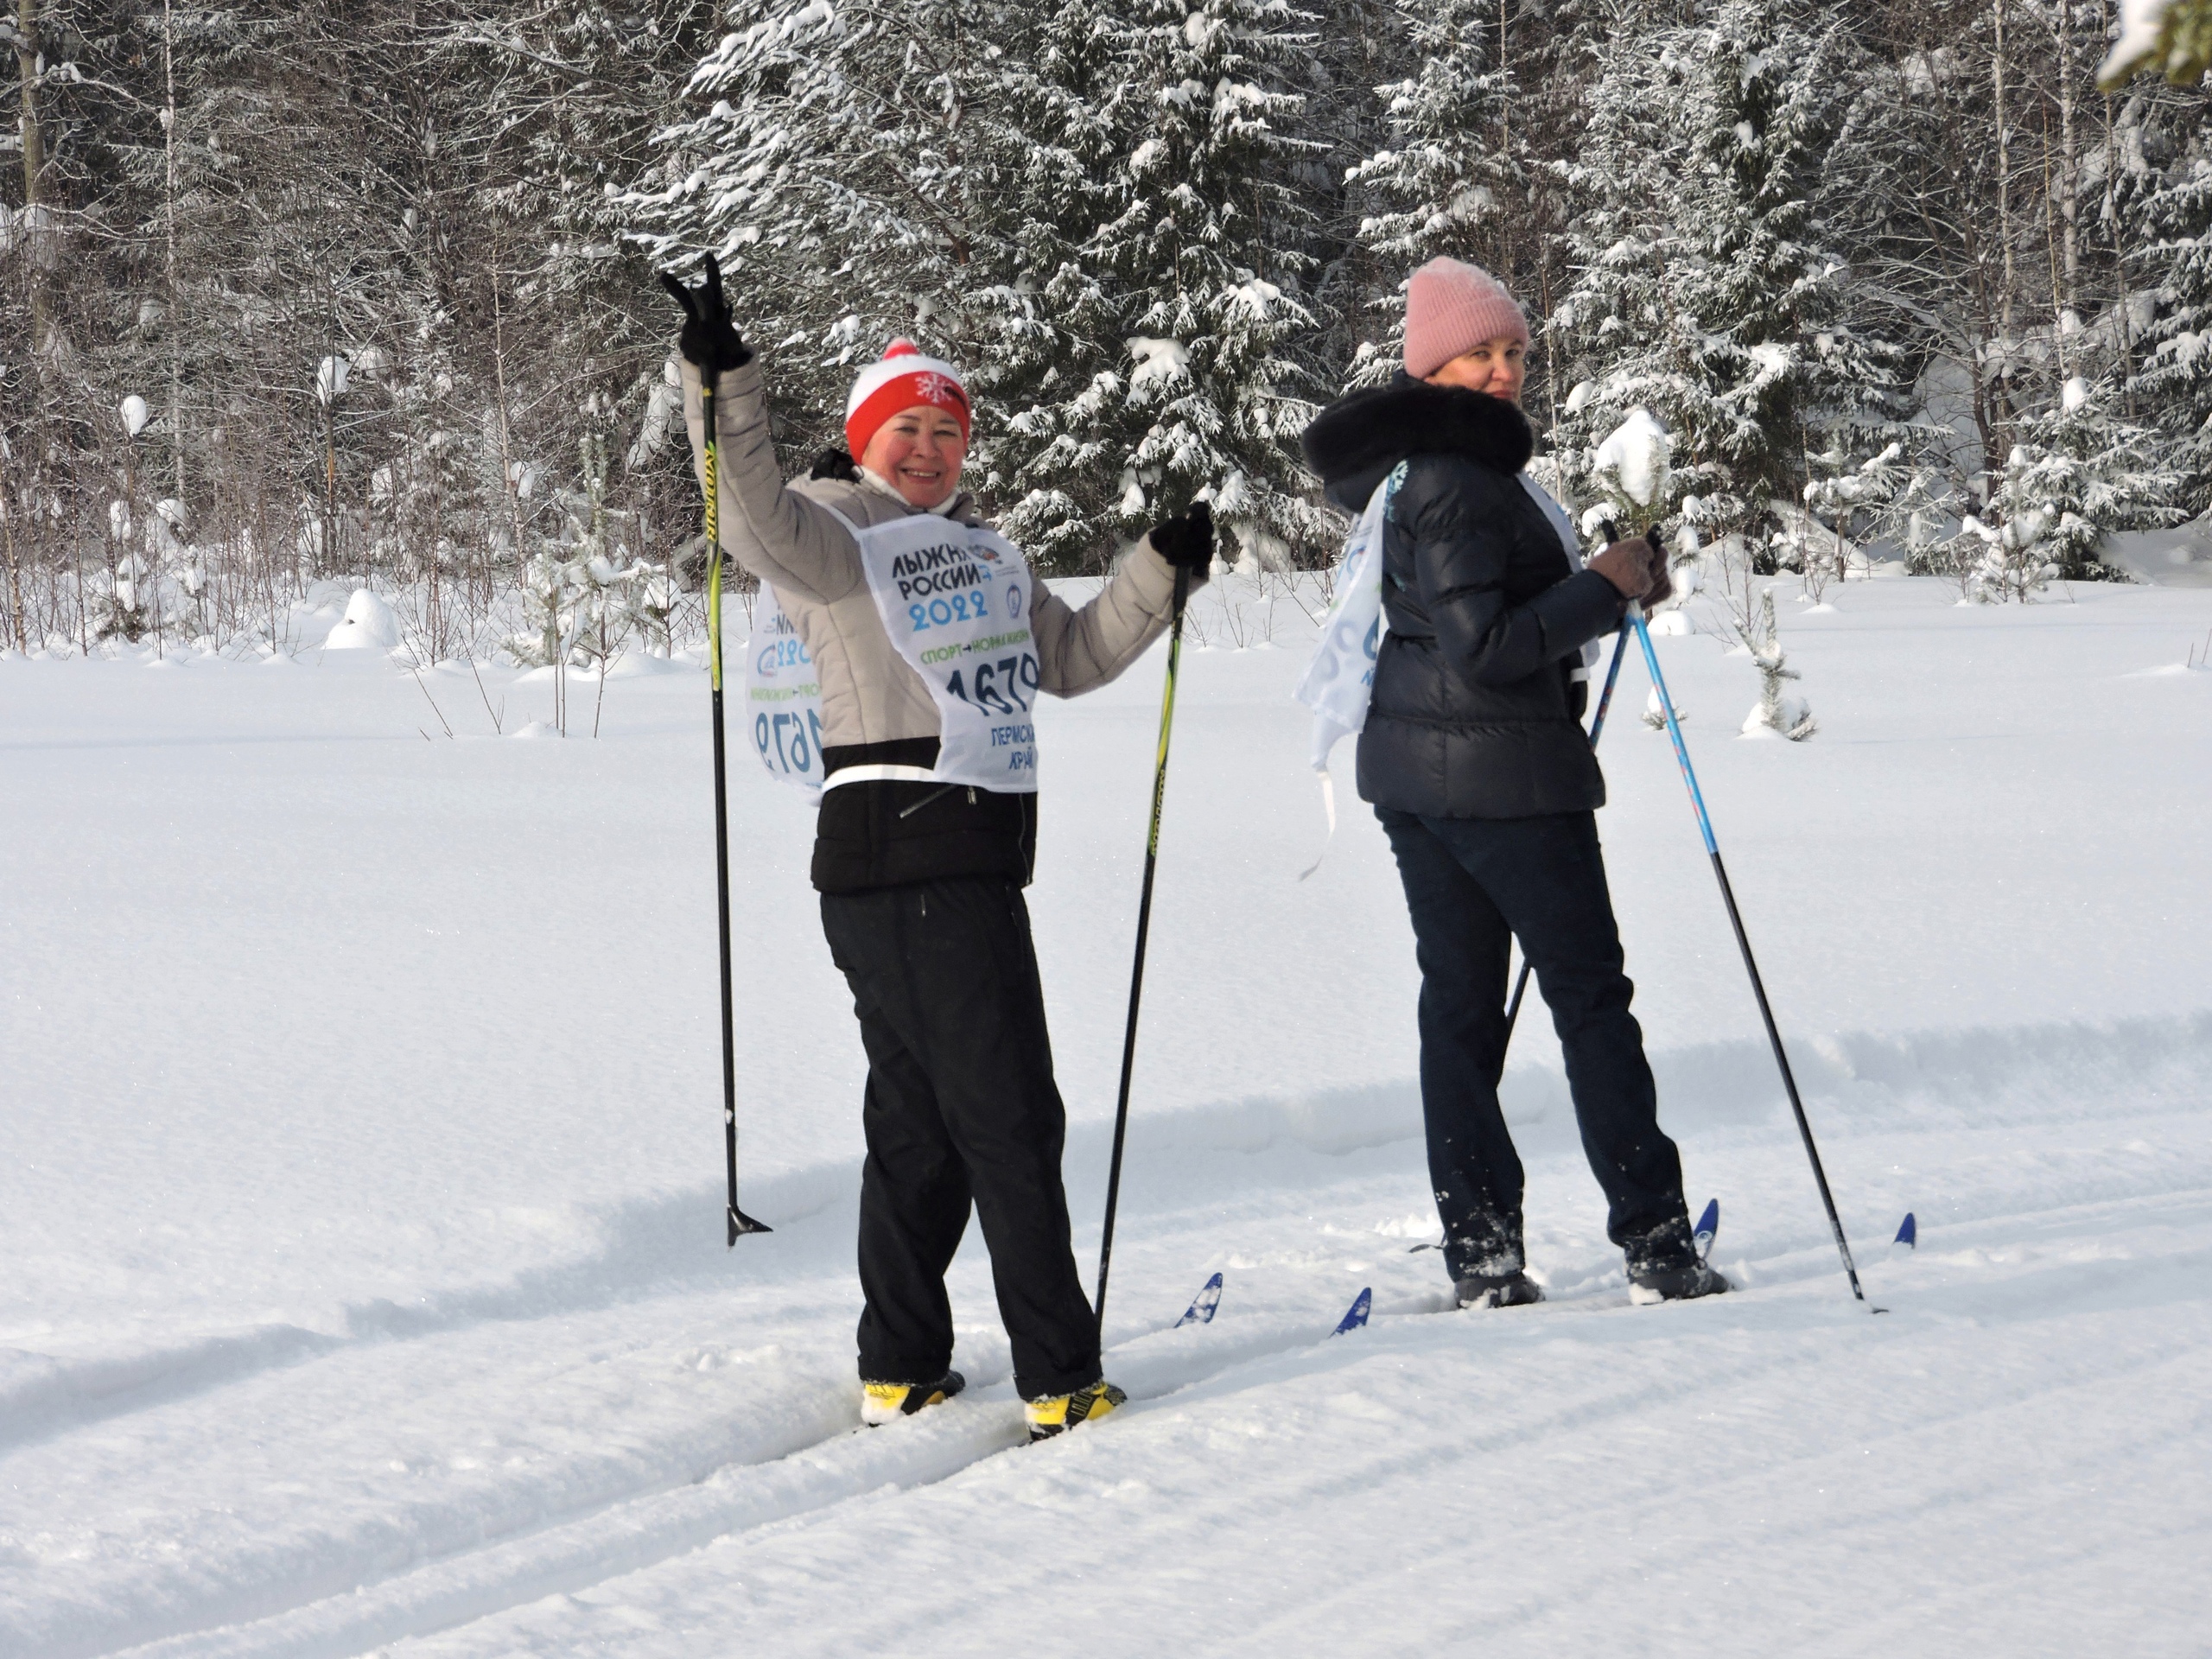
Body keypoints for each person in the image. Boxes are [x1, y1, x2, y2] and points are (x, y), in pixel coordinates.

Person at [663, 257, 1213, 1440]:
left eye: (946, 432)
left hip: (956, 864)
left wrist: (1158, 570)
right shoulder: (836, 537)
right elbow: (749, 509)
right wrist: (722, 382)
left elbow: (1070, 660)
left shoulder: (986, 551)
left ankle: (901, 1364)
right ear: (866, 440)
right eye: (904, 430)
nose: (927, 450)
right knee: (1010, 1114)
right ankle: (1061, 1378)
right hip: (904, 854)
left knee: (923, 1125)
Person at [1299, 257, 1727, 1308]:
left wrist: (1604, 588)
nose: (1500, 371)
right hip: (1504, 782)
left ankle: (1483, 1252)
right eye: (1477, 354)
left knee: (1461, 1007)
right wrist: (1601, 586)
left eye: (1512, 352)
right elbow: (1485, 647)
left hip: (1420, 773)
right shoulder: (1454, 475)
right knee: (1589, 998)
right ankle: (1656, 1241)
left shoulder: (1428, 468)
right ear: (1430, 365)